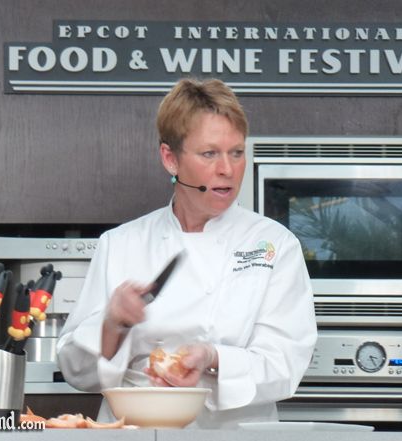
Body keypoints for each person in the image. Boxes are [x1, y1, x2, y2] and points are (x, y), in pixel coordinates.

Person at [56, 78, 317, 428]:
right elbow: (77, 371)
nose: (227, 168)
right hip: (135, 432)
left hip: (233, 435)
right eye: (209, 153)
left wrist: (213, 358)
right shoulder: (121, 243)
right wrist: (111, 324)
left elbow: (286, 363)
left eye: (237, 152)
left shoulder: (273, 244)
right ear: (170, 159)